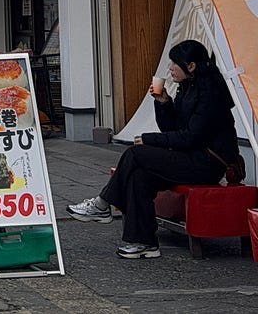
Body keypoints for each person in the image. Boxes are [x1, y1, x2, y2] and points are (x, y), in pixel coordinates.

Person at [67, 39, 243, 258]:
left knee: (135, 153)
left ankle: (103, 204)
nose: (170, 68)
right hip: (189, 157)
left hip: (207, 163)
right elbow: (172, 128)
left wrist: (150, 140)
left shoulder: (211, 95)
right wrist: (163, 103)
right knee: (139, 175)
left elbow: (191, 138)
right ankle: (143, 243)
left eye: (174, 63)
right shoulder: (186, 87)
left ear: (191, 66)